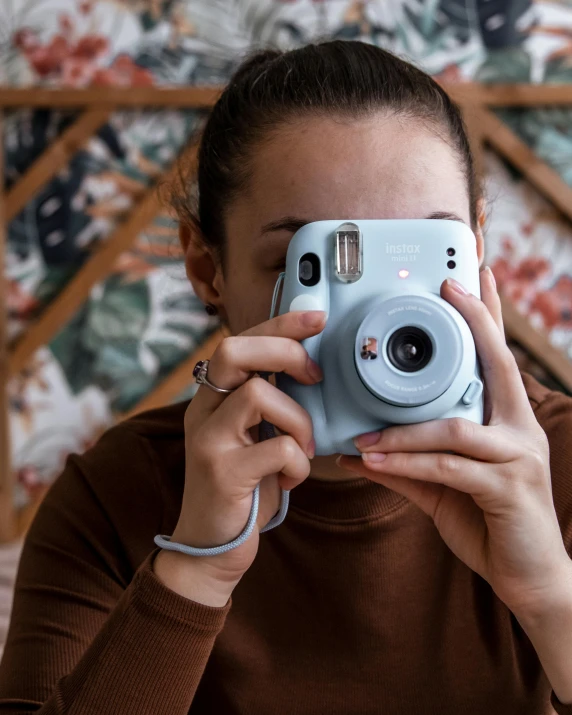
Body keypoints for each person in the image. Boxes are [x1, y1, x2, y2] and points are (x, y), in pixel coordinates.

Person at [1, 40, 572, 715]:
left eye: (416, 254)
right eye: (311, 264)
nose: (376, 323)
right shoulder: (115, 497)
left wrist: (550, 598)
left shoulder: (558, 463)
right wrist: (193, 569)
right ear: (206, 266)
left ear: (475, 243)